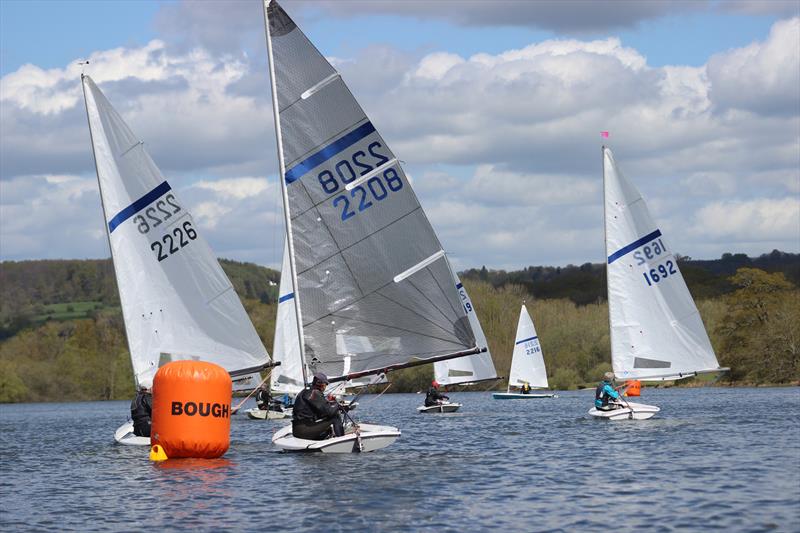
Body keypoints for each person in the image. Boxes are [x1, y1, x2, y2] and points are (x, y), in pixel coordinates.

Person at [292, 373, 348, 440]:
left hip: (298, 430)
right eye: (325, 384)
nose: (325, 387)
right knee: (335, 417)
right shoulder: (314, 393)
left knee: (327, 421)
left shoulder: (305, 391)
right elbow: (329, 412)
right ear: (321, 384)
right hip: (304, 431)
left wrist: (334, 406)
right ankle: (341, 440)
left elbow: (322, 412)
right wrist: (338, 405)